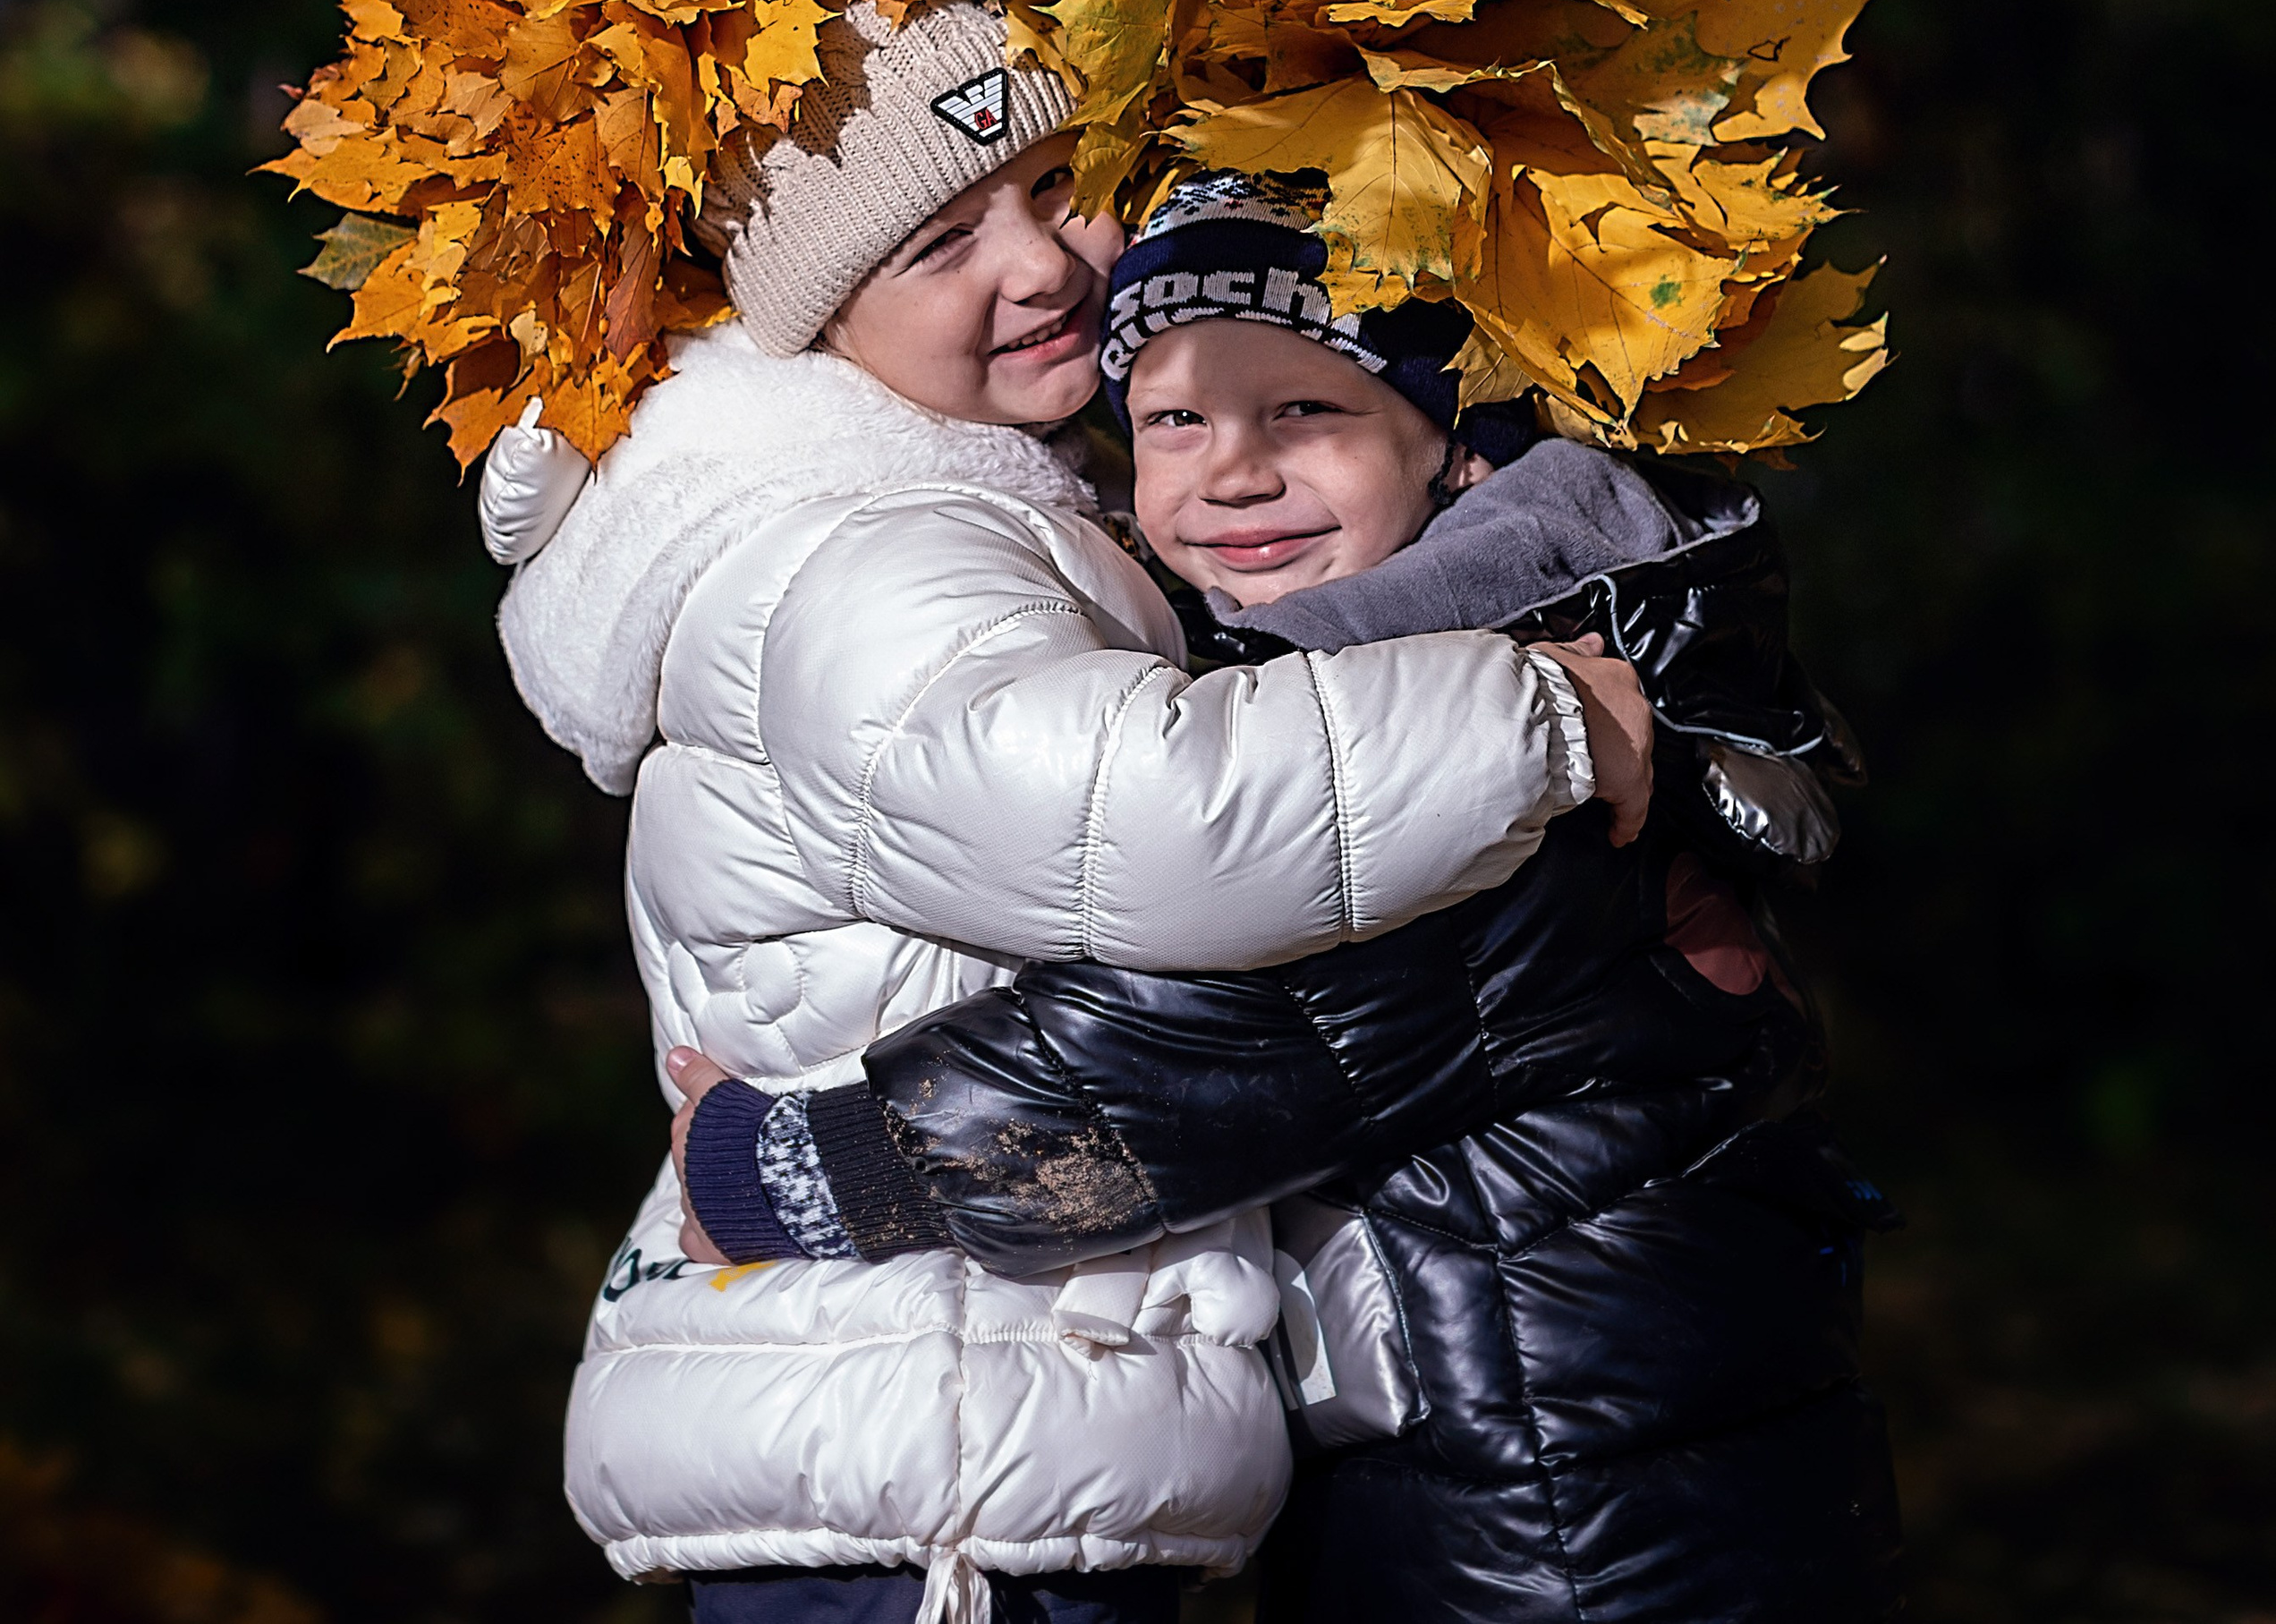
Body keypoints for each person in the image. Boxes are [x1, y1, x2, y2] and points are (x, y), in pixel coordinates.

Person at [484, 13, 1650, 1624]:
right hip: (938, 1459)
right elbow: (1159, 820)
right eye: (945, 240)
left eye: (1059, 182)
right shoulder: (869, 557)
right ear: (821, 310)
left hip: (971, 1422)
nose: (1039, 265)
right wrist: (1537, 714)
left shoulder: (978, 509)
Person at [668, 174, 1903, 1624]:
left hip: (1566, 1530)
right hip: (1563, 1463)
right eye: (1174, 420)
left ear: (1462, 457)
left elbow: (1193, 1059)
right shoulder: (1437, 689)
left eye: (1306, 413)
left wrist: (798, 1165)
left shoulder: (1474, 754)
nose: (1230, 473)